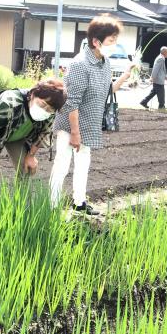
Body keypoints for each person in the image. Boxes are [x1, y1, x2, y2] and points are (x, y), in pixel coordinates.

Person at [50, 14, 134, 215]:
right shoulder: (80, 64)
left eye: (116, 40)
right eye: (111, 40)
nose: (114, 44)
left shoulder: (104, 62)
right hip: (69, 125)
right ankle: (51, 207)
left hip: (89, 124)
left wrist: (125, 75)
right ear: (96, 41)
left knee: (83, 164)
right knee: (62, 164)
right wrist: (75, 133)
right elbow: (71, 103)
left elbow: (107, 91)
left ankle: (79, 203)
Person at [0, 79, 67, 179]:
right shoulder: (10, 103)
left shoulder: (49, 114)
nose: (45, 110)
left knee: (26, 167)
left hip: (18, 129)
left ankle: (23, 194)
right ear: (33, 94)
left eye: (50, 110)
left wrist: (31, 156)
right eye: (42, 105)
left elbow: (44, 133)